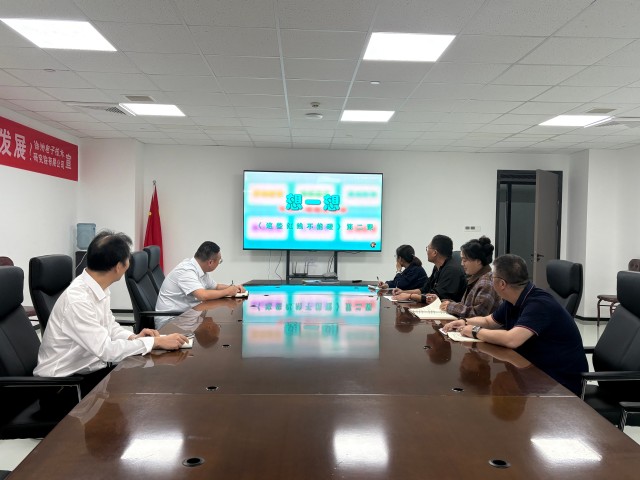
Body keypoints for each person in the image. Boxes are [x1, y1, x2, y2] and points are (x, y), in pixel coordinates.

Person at [35, 231, 187, 396]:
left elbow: (109, 327)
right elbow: (106, 350)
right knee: (148, 390)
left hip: (89, 372)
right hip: (64, 386)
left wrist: (134, 337)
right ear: (119, 266)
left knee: (152, 381)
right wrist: (154, 342)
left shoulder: (98, 287)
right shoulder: (77, 300)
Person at [443, 254, 588, 396]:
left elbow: (511, 339)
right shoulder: (514, 299)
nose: (490, 280)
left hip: (557, 382)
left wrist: (474, 331)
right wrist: (465, 322)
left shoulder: (539, 304)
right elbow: (489, 321)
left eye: (492, 277)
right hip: (533, 370)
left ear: (502, 284)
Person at [155, 241, 246, 327]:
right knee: (207, 329)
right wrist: (227, 291)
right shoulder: (186, 271)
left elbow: (216, 286)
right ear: (210, 262)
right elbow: (202, 295)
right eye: (219, 261)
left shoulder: (200, 269)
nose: (219, 263)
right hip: (170, 321)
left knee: (209, 323)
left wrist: (233, 287)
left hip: (185, 316)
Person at [392, 234, 466, 304]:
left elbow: (435, 298)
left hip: (449, 310)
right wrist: (403, 292)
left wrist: (409, 296)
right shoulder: (437, 267)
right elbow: (424, 289)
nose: (427, 251)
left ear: (434, 253)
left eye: (427, 248)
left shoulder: (451, 270)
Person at [439, 236, 501, 318]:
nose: (462, 264)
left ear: (478, 261)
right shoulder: (477, 277)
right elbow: (466, 306)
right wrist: (446, 303)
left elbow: (478, 315)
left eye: (465, 260)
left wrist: (451, 306)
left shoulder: (486, 283)